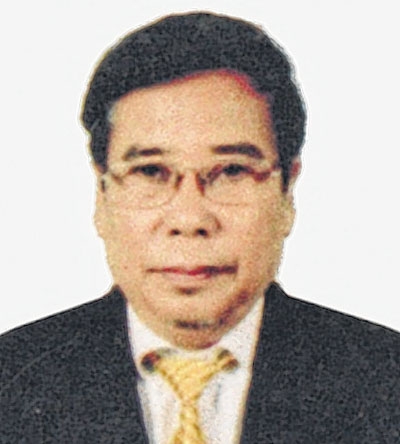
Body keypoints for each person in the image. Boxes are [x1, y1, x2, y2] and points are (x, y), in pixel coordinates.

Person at [1, 11, 399, 444]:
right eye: (150, 171)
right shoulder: (13, 381)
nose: (190, 220)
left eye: (231, 171)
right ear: (102, 194)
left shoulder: (386, 381)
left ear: (287, 192)